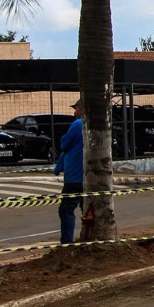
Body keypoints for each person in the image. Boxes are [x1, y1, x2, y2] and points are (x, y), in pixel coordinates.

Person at [54, 99, 85, 243]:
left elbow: (65, 143)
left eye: (77, 108)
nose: (74, 112)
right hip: (85, 176)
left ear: (82, 109)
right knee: (87, 208)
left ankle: (67, 241)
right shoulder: (94, 125)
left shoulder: (78, 124)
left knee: (66, 209)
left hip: (74, 177)